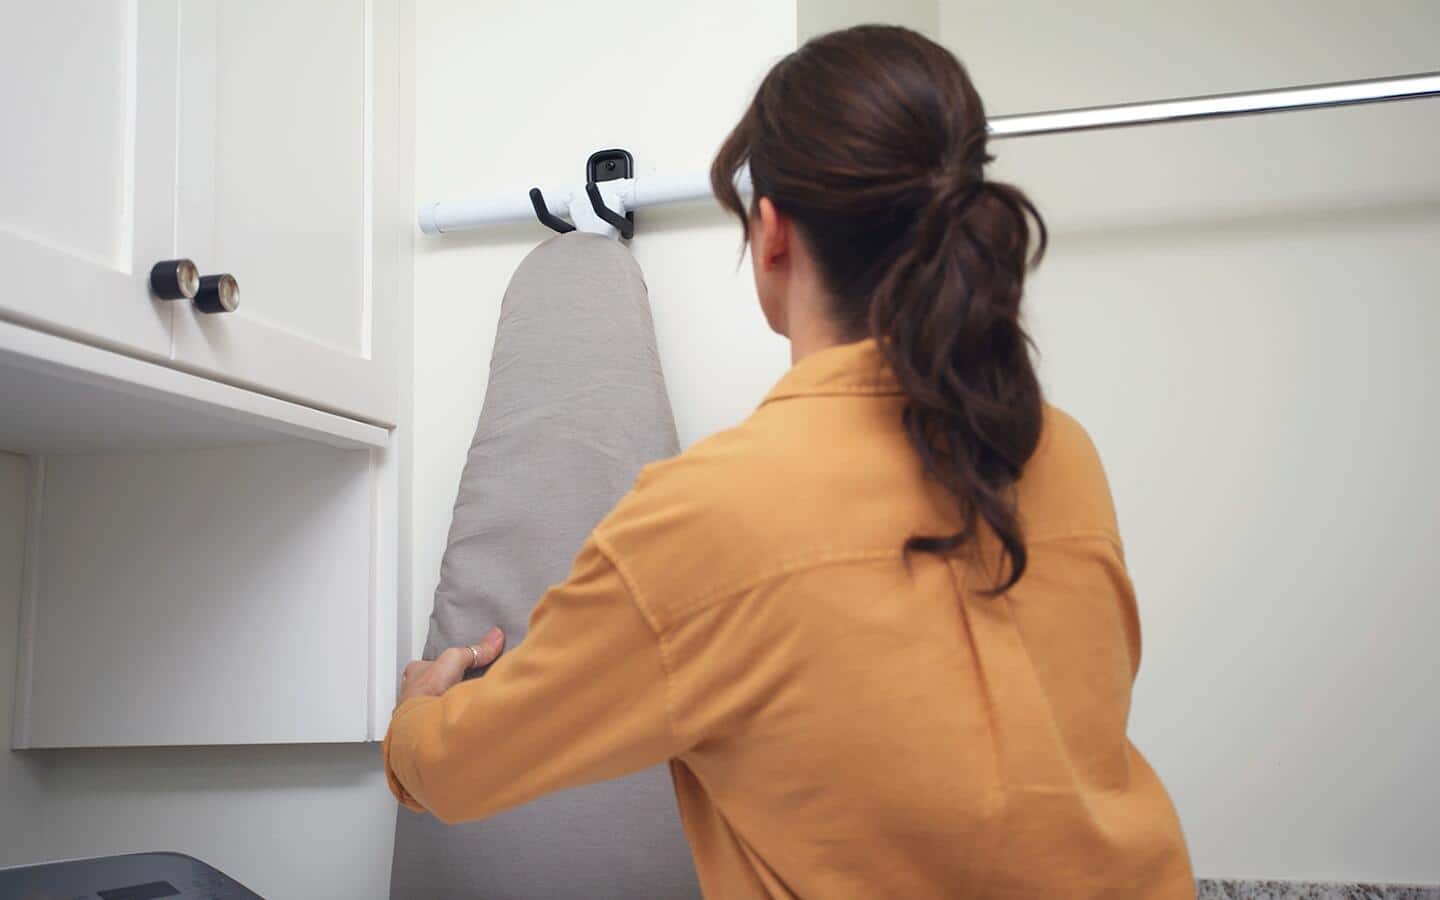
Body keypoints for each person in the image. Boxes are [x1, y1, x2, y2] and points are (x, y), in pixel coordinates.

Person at [386, 24, 1194, 898]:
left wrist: (418, 715)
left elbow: (463, 772)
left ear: (772, 235)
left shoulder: (712, 515)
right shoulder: (1057, 450)